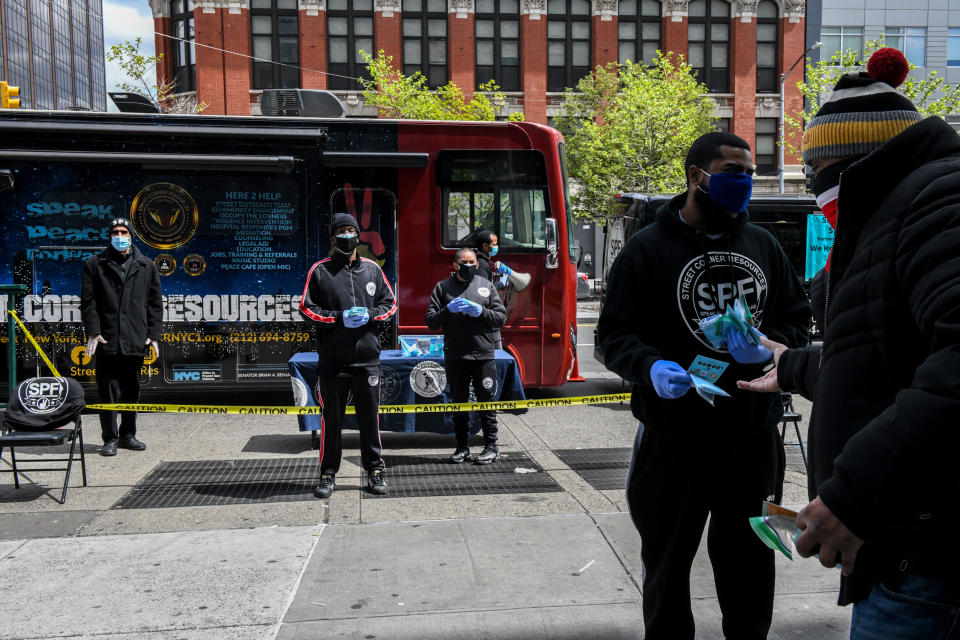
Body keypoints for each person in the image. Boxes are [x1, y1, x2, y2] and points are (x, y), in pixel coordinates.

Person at [737, 48, 960, 638]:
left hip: (931, 572)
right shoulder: (896, 213)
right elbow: (882, 361)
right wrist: (791, 368)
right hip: (904, 559)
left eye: (817, 176)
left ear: (851, 167)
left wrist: (854, 495)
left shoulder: (939, 202)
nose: (816, 193)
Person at [597, 132, 811, 640]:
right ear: (697, 176)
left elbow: (797, 318)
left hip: (752, 438)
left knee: (751, 567)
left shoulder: (762, 245)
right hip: (674, 441)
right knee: (667, 567)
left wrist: (770, 347)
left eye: (749, 172)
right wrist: (648, 367)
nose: (744, 182)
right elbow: (613, 334)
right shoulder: (646, 249)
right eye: (733, 171)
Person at [300, 212, 397, 498]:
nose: (346, 237)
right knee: (332, 420)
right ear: (332, 238)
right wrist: (338, 318)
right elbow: (307, 309)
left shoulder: (373, 270)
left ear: (358, 236)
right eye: (340, 232)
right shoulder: (320, 271)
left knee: (370, 419)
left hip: (367, 360)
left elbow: (389, 305)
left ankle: (375, 470)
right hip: (333, 361)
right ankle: (328, 474)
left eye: (350, 231)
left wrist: (369, 315)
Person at [80, 217, 163, 457]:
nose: (119, 235)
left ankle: (128, 435)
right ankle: (110, 438)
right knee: (108, 392)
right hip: (107, 339)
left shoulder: (146, 265)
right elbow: (89, 303)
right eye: (115, 232)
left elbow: (154, 304)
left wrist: (153, 335)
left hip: (136, 339)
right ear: (110, 236)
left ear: (131, 235)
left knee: (131, 390)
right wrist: (93, 333)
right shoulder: (95, 264)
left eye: (123, 232)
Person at [425, 248, 507, 464]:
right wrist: (447, 310)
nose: (469, 265)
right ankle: (462, 447)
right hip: (456, 356)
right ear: (455, 265)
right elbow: (431, 321)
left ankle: (492, 446)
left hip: (483, 355)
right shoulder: (443, 288)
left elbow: (500, 318)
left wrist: (481, 312)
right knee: (458, 404)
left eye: (472, 261)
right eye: (464, 262)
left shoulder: (486, 286)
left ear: (477, 265)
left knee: (486, 402)